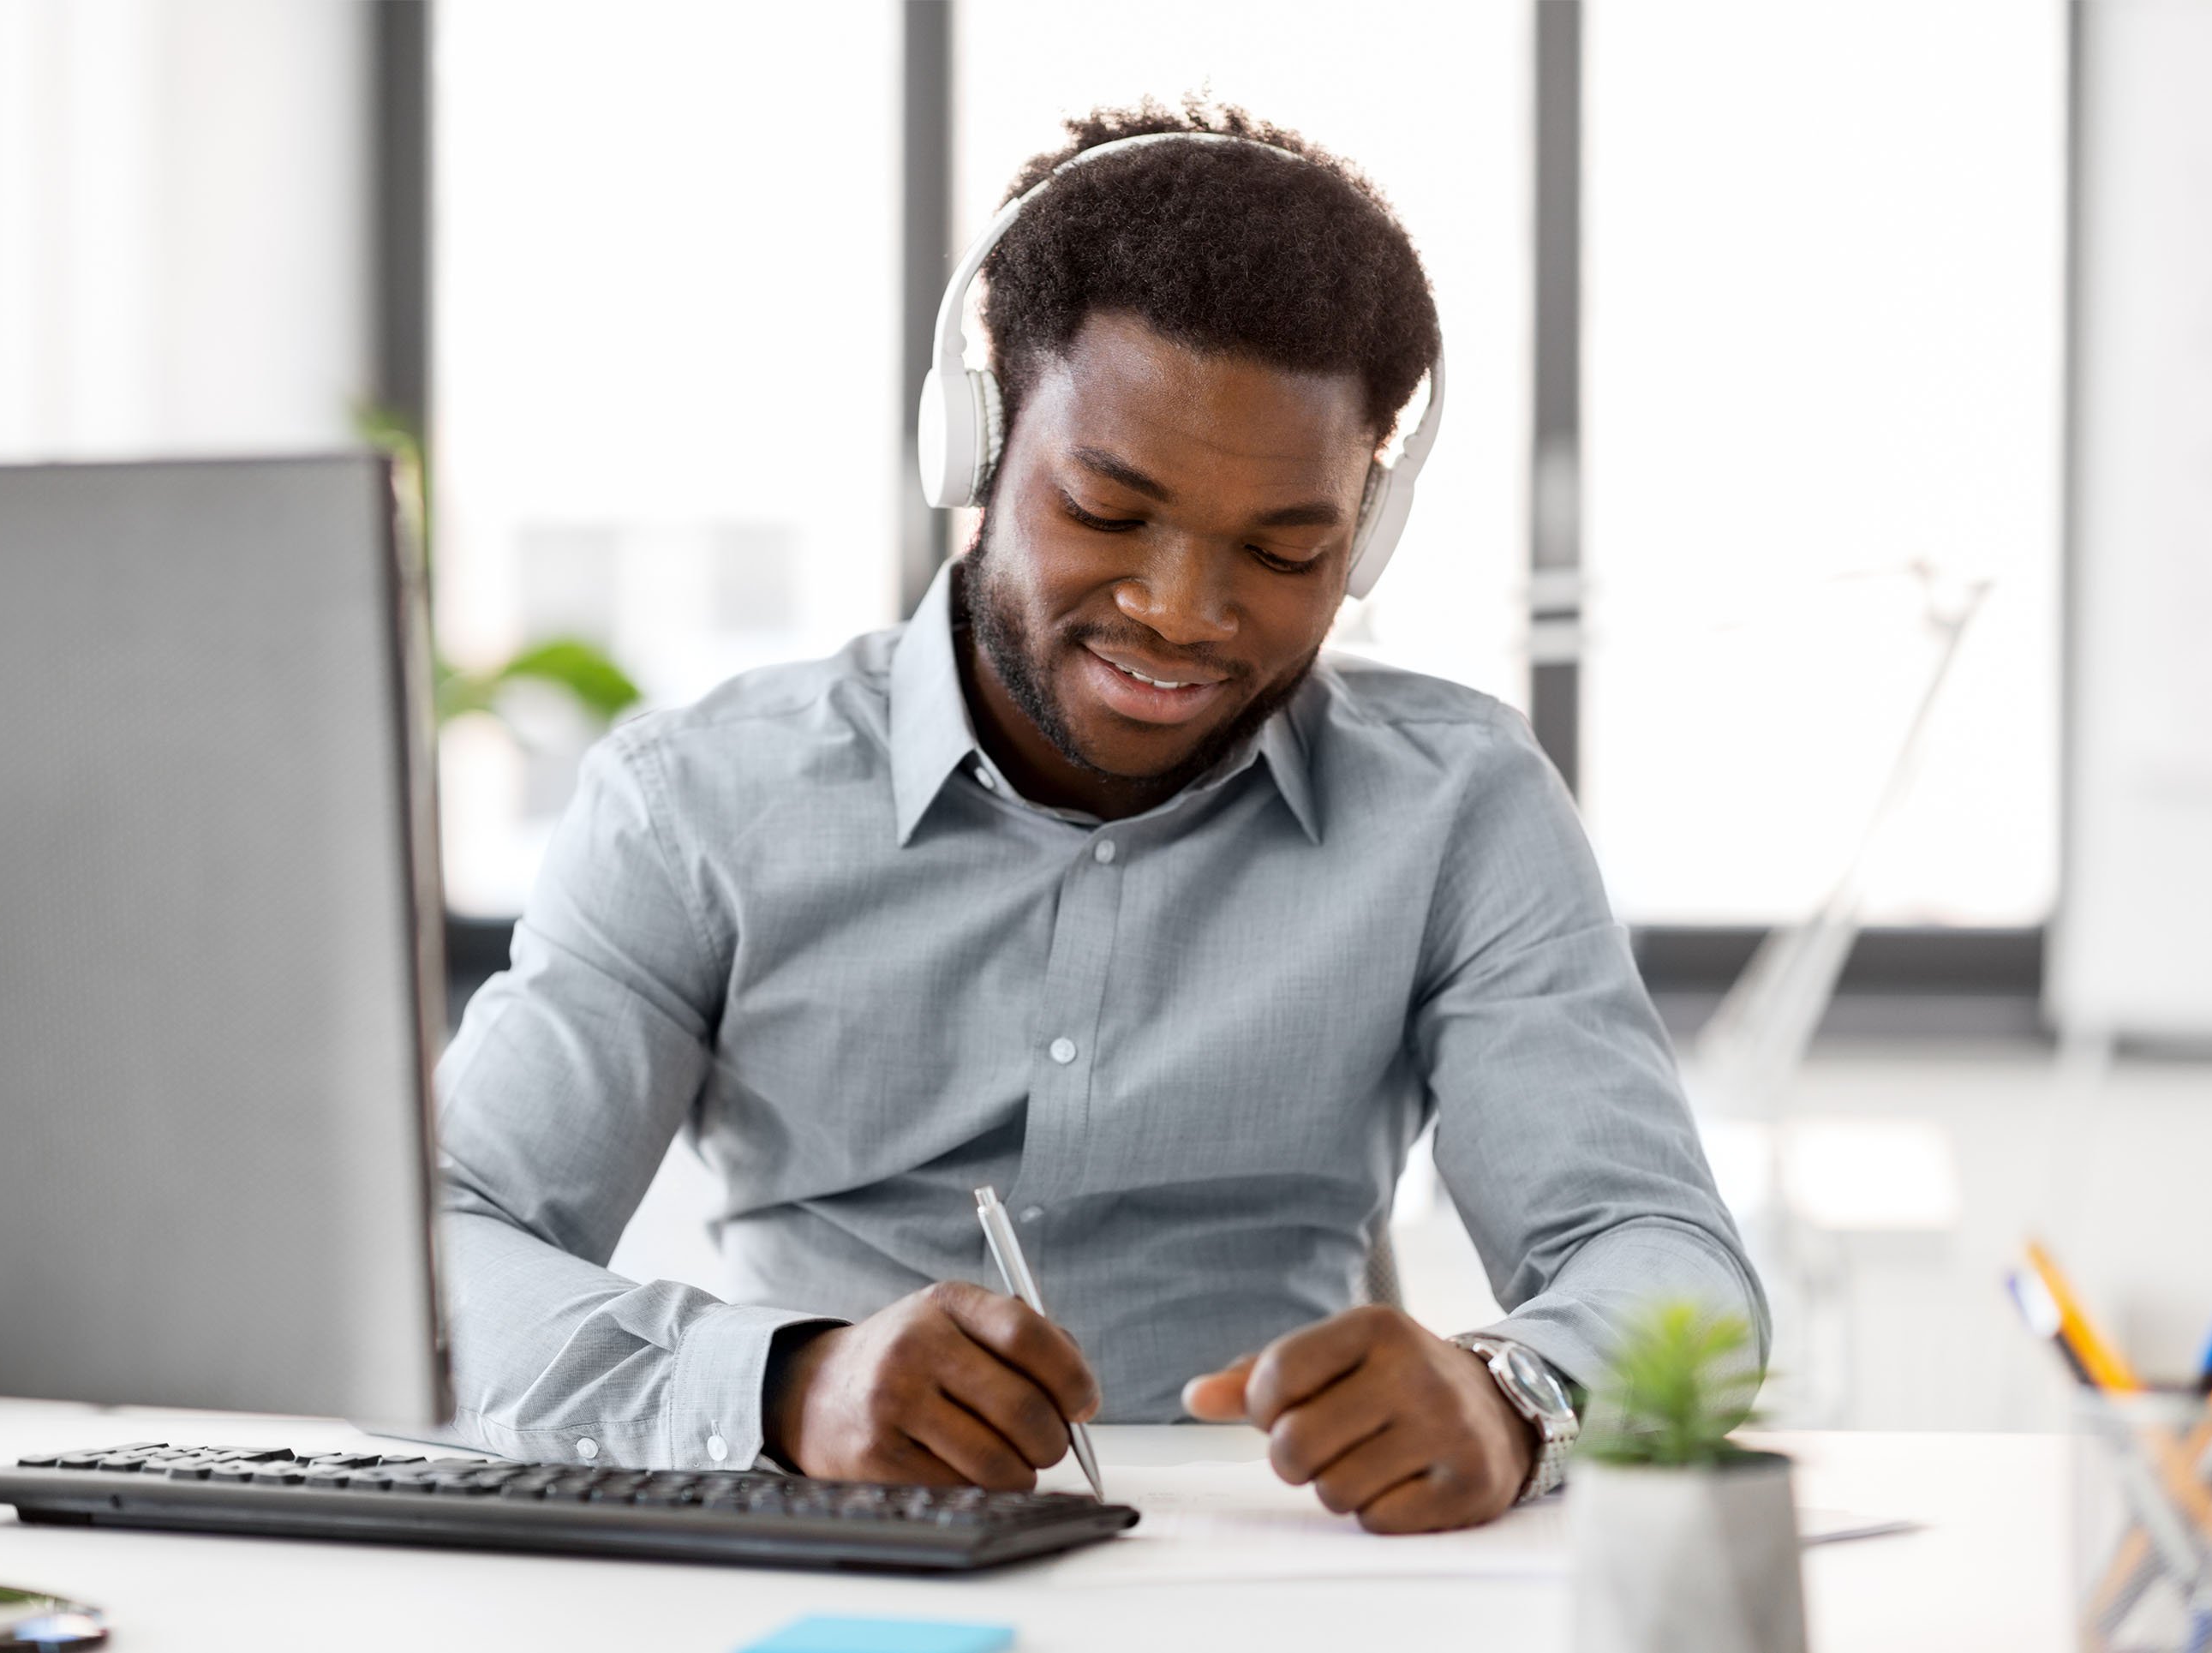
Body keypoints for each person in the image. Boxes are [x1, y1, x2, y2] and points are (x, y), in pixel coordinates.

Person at [437, 100, 1764, 1535]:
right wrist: (784, 1385)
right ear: (977, 447)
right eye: (1106, 510)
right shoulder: (693, 804)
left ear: (1366, 534)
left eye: (1284, 548)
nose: (1182, 612)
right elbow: (440, 1253)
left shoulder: (1459, 807)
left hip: (1289, 1579)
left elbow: (1666, 1257)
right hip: (838, 1562)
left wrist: (1519, 1395)